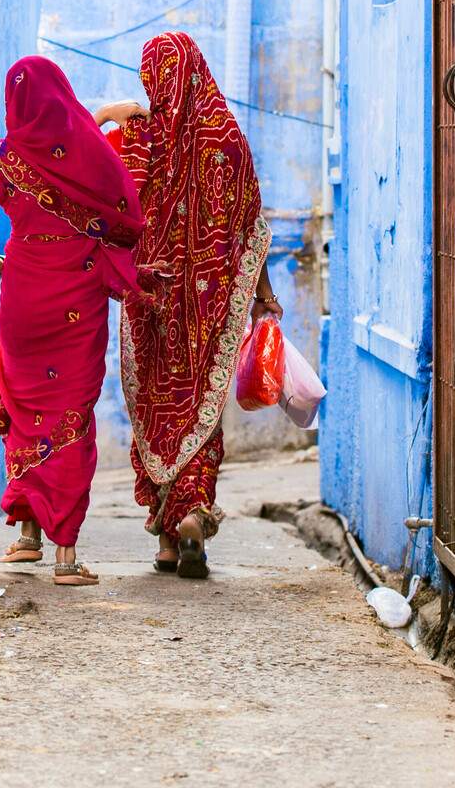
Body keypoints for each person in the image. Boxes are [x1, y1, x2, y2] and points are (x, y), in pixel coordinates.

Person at [94, 32, 283, 579]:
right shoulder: (227, 138)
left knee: (158, 408)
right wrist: (262, 294)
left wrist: (121, 112)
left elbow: (105, 195)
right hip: (209, 306)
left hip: (149, 299)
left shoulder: (141, 139)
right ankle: (193, 514)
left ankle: (166, 541)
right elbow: (252, 229)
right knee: (200, 409)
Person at [0, 56, 143, 587]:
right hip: (76, 298)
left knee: (25, 408)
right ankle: (66, 557)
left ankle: (26, 537)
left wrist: (2, 263)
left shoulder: (5, 158)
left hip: (22, 296)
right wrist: (107, 116)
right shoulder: (85, 151)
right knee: (69, 411)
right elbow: (120, 208)